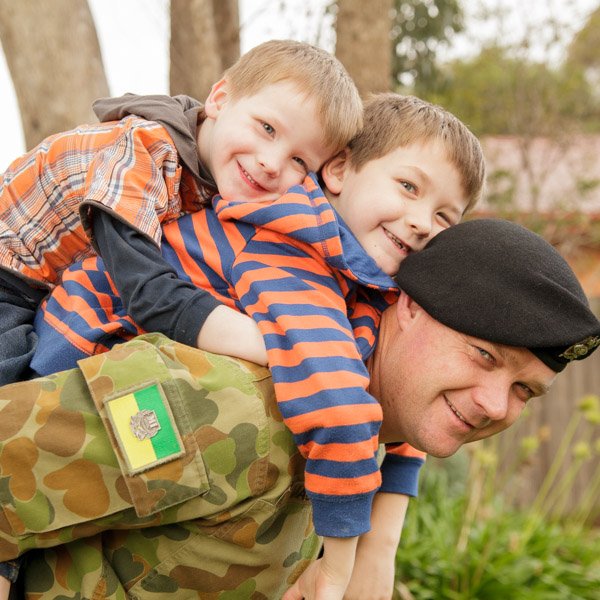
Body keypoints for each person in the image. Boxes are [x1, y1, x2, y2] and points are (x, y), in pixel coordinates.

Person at [18, 92, 484, 595]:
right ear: (340, 170)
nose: (420, 221)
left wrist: (385, 540)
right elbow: (341, 401)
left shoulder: (359, 272)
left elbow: (396, 382)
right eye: (408, 186)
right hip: (76, 343)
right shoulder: (293, 254)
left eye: (444, 218)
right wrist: (342, 564)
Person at [0, 219, 598, 600]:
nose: (496, 404)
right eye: (483, 356)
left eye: (525, 391)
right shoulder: (237, 405)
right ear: (409, 306)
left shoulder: (367, 448)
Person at [0, 39, 362, 386]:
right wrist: (279, 346)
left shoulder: (221, 180)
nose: (271, 163)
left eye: (299, 160)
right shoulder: (143, 150)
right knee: (16, 395)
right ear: (220, 99)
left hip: (51, 290)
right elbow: (148, 292)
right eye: (267, 128)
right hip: (9, 276)